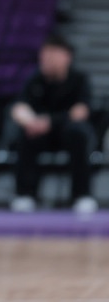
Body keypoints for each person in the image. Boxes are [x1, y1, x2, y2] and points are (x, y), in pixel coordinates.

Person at [9, 33, 98, 214]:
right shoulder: (35, 79)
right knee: (26, 134)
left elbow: (80, 112)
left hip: (67, 130)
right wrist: (30, 122)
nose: (46, 60)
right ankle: (25, 194)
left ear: (66, 57)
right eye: (44, 55)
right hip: (41, 133)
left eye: (52, 55)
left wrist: (50, 122)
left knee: (79, 134)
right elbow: (19, 107)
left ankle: (82, 195)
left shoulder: (79, 79)